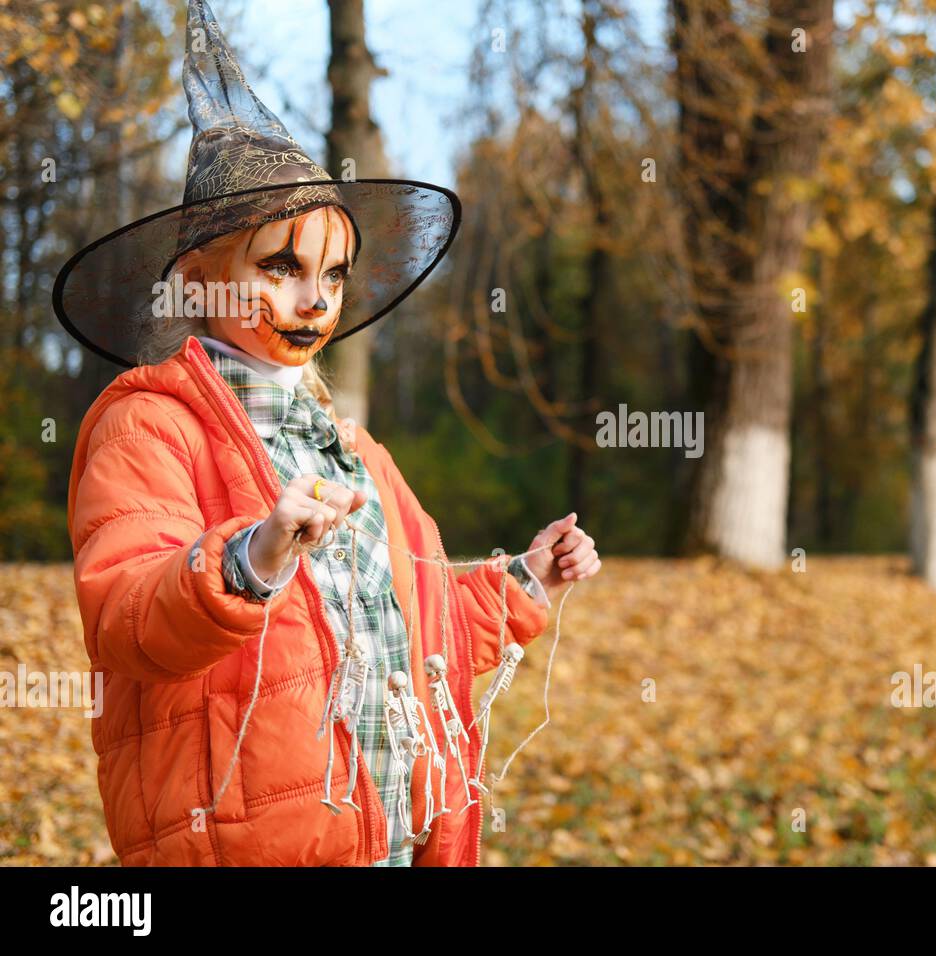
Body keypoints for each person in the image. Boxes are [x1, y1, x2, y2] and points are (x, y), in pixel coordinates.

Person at [56, 0, 599, 867]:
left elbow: (417, 623)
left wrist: (525, 579)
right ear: (197, 283)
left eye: (335, 275)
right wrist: (252, 558)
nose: (317, 301)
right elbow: (126, 617)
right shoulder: (147, 426)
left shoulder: (357, 452)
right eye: (282, 266)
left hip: (395, 839)